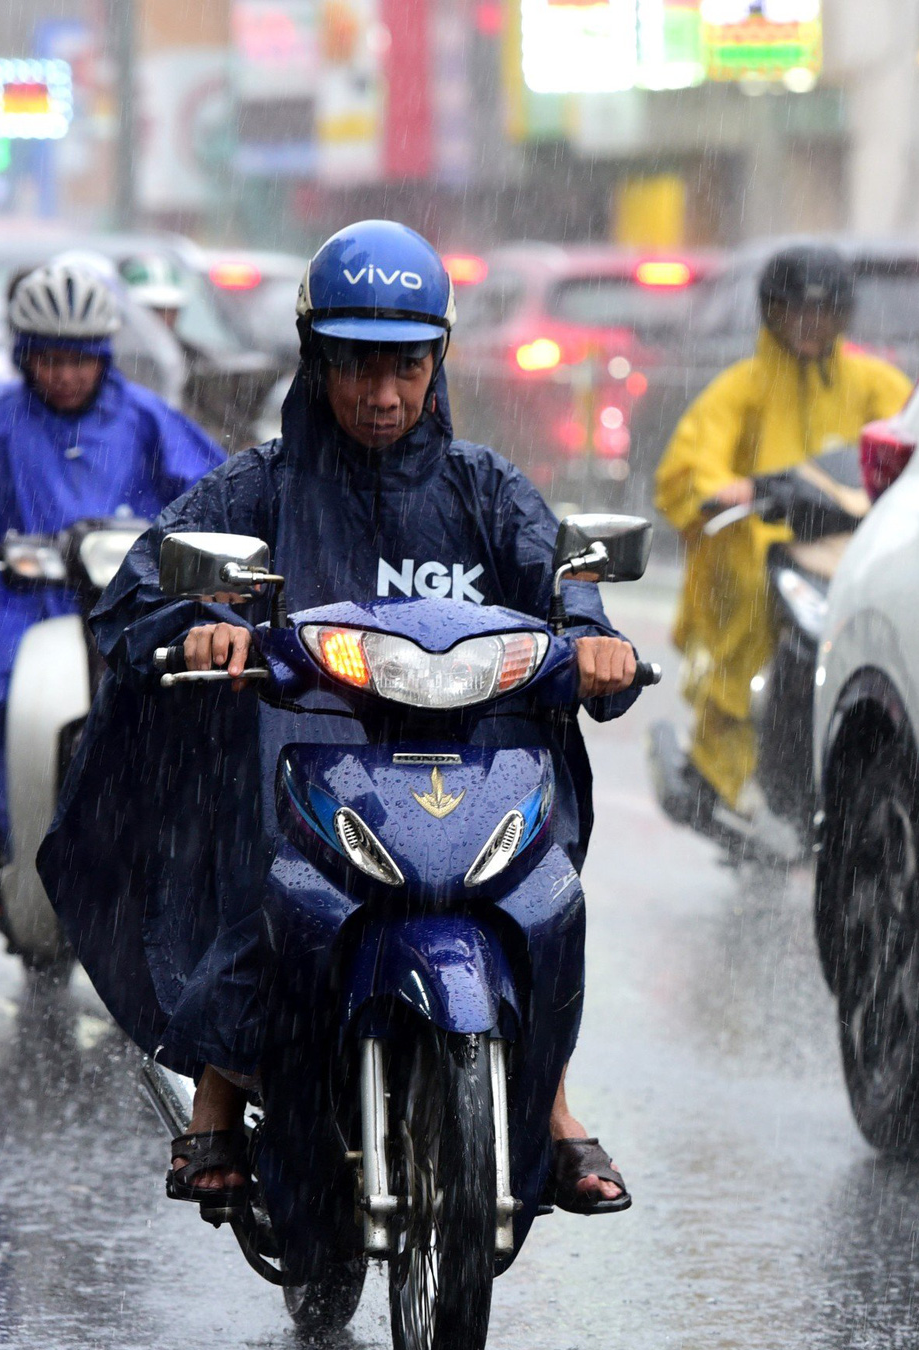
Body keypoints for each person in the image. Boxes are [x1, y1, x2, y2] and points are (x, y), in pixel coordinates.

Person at [41, 220, 636, 1214]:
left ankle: (550, 1105)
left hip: (470, 775)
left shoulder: (485, 492)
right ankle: (220, 1098)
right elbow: (137, 594)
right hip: (307, 783)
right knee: (250, 852)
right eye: (356, 366)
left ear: (436, 360)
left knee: (547, 894)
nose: (382, 395)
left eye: (404, 366)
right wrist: (197, 626)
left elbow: (566, 590)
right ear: (315, 357)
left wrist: (593, 636)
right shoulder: (259, 488)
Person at [0, 260, 224, 930]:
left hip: (129, 600)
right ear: (24, 355)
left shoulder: (143, 416)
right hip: (22, 601)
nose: (63, 375)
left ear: (103, 356)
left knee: (184, 706)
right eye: (48, 359)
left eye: (77, 361)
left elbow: (209, 487)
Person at [651, 244, 911, 833]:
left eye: (823, 313)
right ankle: (722, 777)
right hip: (755, 549)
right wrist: (725, 490)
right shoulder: (742, 387)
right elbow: (695, 459)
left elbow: (908, 430)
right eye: (797, 311)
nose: (810, 325)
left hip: (843, 546)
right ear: (773, 313)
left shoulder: (872, 381)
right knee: (743, 638)